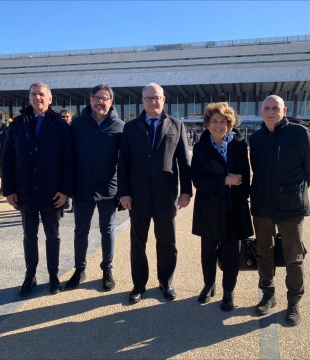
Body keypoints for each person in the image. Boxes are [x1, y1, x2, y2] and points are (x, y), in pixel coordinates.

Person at [117, 82, 192, 304]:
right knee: (138, 242)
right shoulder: (130, 127)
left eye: (156, 97)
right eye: (148, 98)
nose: (152, 101)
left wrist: (186, 191)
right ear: (143, 101)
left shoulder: (177, 125)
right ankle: (139, 284)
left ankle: (166, 281)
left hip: (166, 194)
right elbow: (123, 163)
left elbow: (184, 162)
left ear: (163, 99)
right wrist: (124, 193)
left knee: (167, 242)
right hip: (137, 195)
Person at [249, 95, 310, 326]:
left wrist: (294, 191)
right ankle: (268, 294)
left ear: (284, 110)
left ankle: (294, 301)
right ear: (261, 112)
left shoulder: (299, 134)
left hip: (291, 207)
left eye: (275, 108)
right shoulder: (256, 138)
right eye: (267, 108)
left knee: (293, 256)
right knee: (263, 252)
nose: (270, 111)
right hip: (262, 206)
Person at [2, 82, 74, 297]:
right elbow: (7, 159)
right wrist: (8, 189)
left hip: (52, 193)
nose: (37, 98)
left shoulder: (61, 125)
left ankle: (53, 275)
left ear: (50, 99)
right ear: (29, 98)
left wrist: (65, 190)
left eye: (41, 94)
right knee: (29, 236)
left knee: (53, 236)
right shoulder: (17, 124)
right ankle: (30, 275)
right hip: (25, 190)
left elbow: (69, 161)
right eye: (33, 94)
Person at [191, 102, 253, 311]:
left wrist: (243, 202)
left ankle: (228, 291)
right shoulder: (200, 148)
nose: (218, 125)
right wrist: (224, 180)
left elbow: (245, 177)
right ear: (208, 123)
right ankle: (209, 285)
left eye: (223, 121)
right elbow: (198, 180)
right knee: (208, 251)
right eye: (214, 121)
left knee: (232, 253)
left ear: (229, 124)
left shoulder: (239, 145)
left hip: (233, 207)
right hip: (208, 207)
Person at [64, 84, 124, 292]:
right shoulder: (77, 124)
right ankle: (79, 269)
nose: (100, 102)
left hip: (109, 188)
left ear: (111, 101)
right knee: (80, 230)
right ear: (90, 99)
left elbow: (125, 162)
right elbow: (69, 157)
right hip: (81, 187)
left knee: (107, 230)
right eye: (96, 97)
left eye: (104, 98)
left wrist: (124, 190)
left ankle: (107, 269)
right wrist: (68, 184)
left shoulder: (119, 126)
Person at [59, 108, 73, 213]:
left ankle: (74, 205)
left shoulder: (74, 129)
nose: (64, 118)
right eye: (62, 116)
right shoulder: (56, 129)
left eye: (67, 116)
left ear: (70, 117)